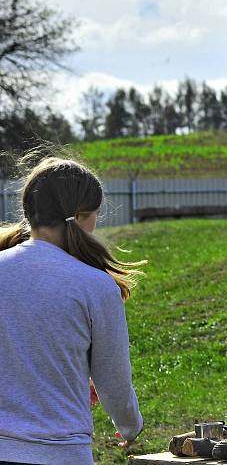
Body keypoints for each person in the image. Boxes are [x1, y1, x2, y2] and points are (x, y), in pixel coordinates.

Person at [0, 155, 144, 465]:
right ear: (79, 217)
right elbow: (113, 381)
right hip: (62, 454)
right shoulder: (98, 286)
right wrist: (131, 425)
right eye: (95, 213)